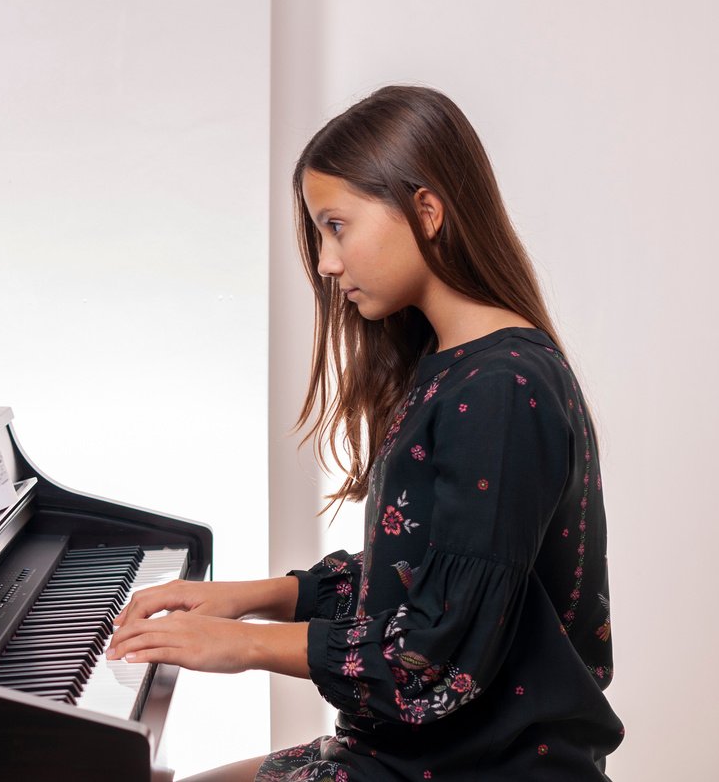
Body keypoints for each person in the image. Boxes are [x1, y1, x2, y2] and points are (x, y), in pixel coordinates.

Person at [107, 85, 623, 781]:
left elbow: (432, 658)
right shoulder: (455, 366)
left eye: (336, 225)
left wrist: (240, 645)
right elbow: (418, 574)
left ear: (426, 210)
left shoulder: (502, 387)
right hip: (411, 756)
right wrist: (250, 597)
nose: (323, 261)